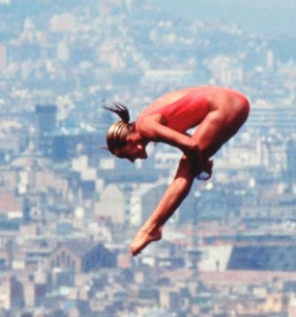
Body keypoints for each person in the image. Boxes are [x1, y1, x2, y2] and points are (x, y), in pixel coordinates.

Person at [104, 86, 250, 256]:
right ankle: (152, 227)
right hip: (236, 102)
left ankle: (150, 228)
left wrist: (196, 168)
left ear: (129, 141)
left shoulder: (145, 127)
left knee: (185, 169)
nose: (132, 159)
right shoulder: (147, 120)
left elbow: (191, 146)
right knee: (189, 164)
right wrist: (201, 163)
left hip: (225, 106)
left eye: (126, 156)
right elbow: (190, 141)